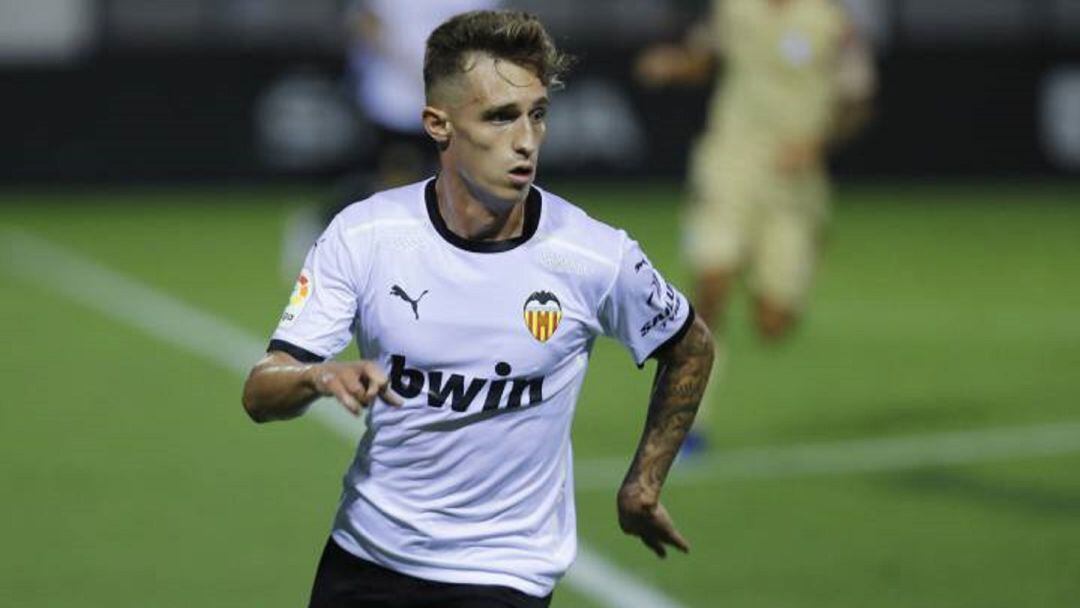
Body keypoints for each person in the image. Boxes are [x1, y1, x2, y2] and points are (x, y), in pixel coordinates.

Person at [243, 10, 714, 608]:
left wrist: (643, 482)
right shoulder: (364, 235)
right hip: (364, 559)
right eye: (500, 116)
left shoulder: (593, 255)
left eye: (537, 114)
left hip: (504, 574)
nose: (526, 140)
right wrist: (317, 374)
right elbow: (261, 391)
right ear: (438, 125)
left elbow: (690, 342)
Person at [636, 0, 876, 453]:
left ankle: (794, 256)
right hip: (729, 164)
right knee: (710, 288)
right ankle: (690, 422)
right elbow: (705, 57)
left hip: (793, 185)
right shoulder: (733, 9)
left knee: (772, 322)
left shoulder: (832, 20)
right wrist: (674, 65)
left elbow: (858, 100)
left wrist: (819, 142)